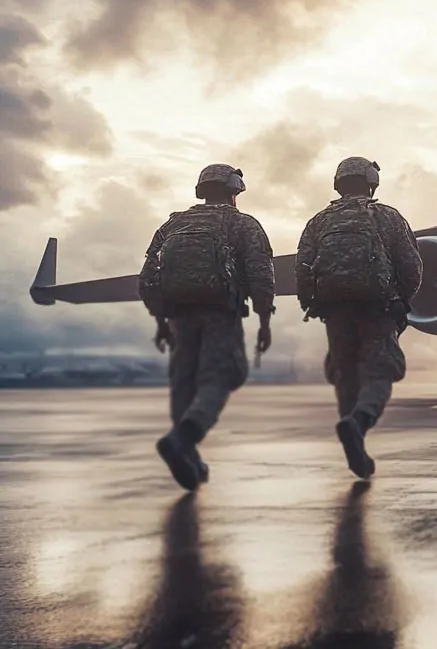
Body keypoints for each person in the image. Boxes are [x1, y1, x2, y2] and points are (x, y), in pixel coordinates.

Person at [140, 164, 275, 491]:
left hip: (178, 317)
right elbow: (260, 275)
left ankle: (187, 453)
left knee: (183, 382)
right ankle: (182, 438)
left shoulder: (173, 225)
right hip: (219, 314)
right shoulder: (242, 224)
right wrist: (263, 321)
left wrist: (160, 322)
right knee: (223, 375)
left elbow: (147, 279)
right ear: (235, 191)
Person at [295, 157, 422, 479]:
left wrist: (312, 301)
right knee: (380, 371)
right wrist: (402, 299)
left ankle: (354, 441)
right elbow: (411, 265)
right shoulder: (387, 217)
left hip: (334, 309)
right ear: (372, 182)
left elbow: (303, 266)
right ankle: (359, 422)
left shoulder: (319, 222)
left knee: (344, 372)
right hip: (377, 307)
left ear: (338, 183)